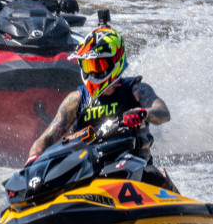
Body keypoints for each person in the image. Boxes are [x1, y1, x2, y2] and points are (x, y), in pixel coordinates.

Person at [27, 25, 170, 170]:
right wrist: (32, 162)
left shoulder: (136, 90)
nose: (93, 74)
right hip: (89, 174)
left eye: (98, 66)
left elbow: (163, 112)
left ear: (115, 63)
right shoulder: (76, 99)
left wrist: (144, 114)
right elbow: (46, 138)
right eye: (88, 66)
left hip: (136, 170)